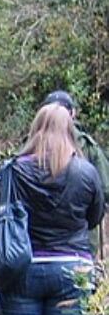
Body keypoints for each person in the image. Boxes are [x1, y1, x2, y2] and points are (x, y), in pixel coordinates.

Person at [0, 102, 104, 315]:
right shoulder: (85, 171)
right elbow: (95, 217)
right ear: (70, 128)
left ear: (35, 127)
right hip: (72, 270)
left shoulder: (14, 169)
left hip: (22, 268)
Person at [42, 90, 109, 256]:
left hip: (37, 246)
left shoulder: (30, 147)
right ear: (73, 114)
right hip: (81, 243)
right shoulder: (88, 147)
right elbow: (104, 191)